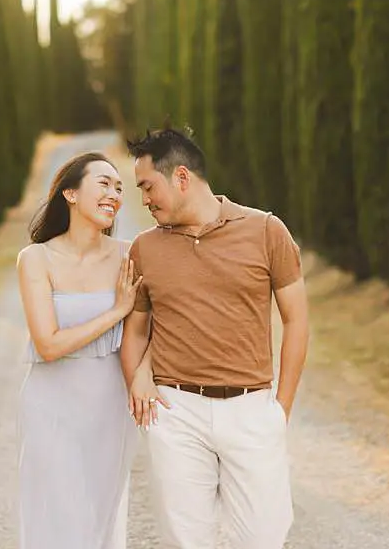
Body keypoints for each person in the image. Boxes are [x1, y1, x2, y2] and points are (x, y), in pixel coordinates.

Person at [120, 127, 310, 549]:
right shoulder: (144, 248)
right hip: (176, 412)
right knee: (186, 541)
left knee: (264, 537)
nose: (144, 200)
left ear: (181, 177)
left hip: (251, 409)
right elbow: (135, 330)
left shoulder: (267, 231)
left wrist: (280, 410)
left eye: (148, 186)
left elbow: (296, 319)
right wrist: (138, 381)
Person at [15, 151, 151, 549]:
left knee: (98, 519)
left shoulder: (131, 254)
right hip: (49, 407)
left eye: (120, 188)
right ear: (70, 194)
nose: (115, 195)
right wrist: (116, 312)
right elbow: (48, 344)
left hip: (111, 408)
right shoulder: (36, 258)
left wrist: (144, 375)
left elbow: (151, 331)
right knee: (56, 517)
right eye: (104, 183)